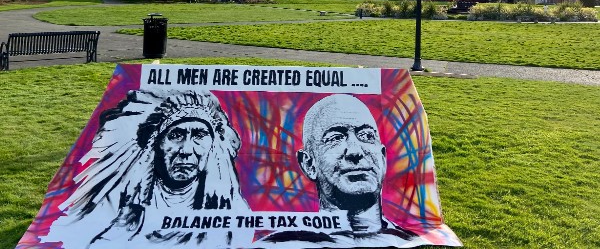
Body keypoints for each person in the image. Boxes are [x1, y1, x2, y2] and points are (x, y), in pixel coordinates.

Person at [43, 89, 249, 248]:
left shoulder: (230, 209)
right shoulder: (122, 200)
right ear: (156, 144)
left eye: (199, 136)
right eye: (176, 135)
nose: (186, 150)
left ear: (213, 145)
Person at [259, 94, 431, 248]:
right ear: (309, 164)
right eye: (335, 138)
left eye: (366, 136)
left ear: (383, 157)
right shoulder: (277, 245)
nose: (355, 151)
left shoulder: (411, 241)